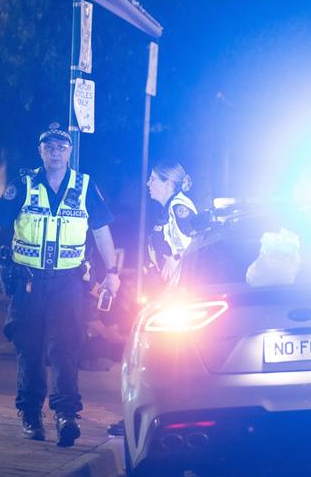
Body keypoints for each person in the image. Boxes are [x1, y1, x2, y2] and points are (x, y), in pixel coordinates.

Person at [0, 122, 120, 447]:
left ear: (70, 152)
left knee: (64, 347)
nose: (55, 152)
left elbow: (101, 231)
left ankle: (66, 415)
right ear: (41, 151)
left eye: (61, 147)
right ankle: (30, 414)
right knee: (30, 347)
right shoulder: (24, 183)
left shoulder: (84, 186)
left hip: (67, 282)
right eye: (49, 147)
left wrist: (112, 272)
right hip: (28, 281)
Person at [107, 160, 197, 437]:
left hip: (177, 296)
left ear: (169, 182)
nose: (148, 184)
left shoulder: (179, 207)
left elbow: (197, 239)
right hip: (166, 294)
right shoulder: (168, 208)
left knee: (153, 355)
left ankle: (148, 418)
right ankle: (144, 416)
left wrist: (178, 258)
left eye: (153, 180)